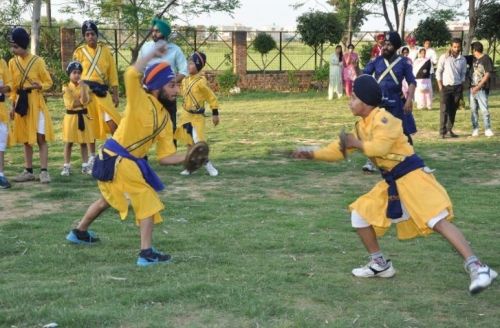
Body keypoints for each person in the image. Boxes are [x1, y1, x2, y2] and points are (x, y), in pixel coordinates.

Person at [292, 74, 497, 295]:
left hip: (413, 177)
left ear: (366, 101)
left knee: (436, 220)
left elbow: (379, 149)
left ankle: (478, 267)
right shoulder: (362, 125)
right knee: (359, 215)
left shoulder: (384, 119)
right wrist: (311, 154)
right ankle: (380, 264)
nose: (349, 101)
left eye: (353, 97)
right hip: (394, 182)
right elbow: (338, 149)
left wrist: (357, 144)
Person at [66, 42, 189, 266]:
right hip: (117, 158)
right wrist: (152, 54)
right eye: (171, 86)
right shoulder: (139, 99)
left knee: (107, 199)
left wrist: (189, 158)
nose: (177, 90)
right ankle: (146, 254)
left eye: (176, 86)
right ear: (157, 87)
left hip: (123, 161)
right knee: (147, 197)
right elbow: (132, 73)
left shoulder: (164, 119)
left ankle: (79, 232)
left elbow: (165, 157)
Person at [362, 32, 416, 172]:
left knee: (403, 132)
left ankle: (410, 158)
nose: (385, 47)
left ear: (396, 46)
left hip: (397, 101)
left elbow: (412, 82)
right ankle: (371, 161)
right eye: (384, 44)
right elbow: (364, 76)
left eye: (389, 44)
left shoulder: (404, 62)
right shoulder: (376, 61)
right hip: (379, 102)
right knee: (374, 131)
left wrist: (409, 100)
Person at [73, 20, 122, 168]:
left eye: (92, 34)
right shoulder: (79, 52)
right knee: (90, 124)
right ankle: (92, 157)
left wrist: (115, 93)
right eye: (87, 34)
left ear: (96, 34)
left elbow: (112, 73)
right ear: (84, 36)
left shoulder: (105, 50)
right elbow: (75, 75)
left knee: (113, 121)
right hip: (86, 92)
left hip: (102, 91)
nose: (90, 37)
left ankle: (118, 151)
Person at [8, 27, 54, 184]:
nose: (13, 49)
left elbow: (49, 82)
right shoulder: (12, 63)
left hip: (36, 102)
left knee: (40, 137)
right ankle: (28, 170)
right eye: (12, 46)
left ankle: (44, 171)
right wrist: (12, 105)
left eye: (16, 46)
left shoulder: (38, 61)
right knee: (26, 138)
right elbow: (13, 87)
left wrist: (39, 85)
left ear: (23, 45)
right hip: (21, 103)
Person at [138, 17, 188, 134]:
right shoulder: (146, 48)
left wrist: (170, 84)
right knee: (147, 128)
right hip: (149, 94)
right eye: (153, 31)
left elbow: (184, 71)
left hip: (167, 96)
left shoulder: (175, 50)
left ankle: (171, 151)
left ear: (165, 34)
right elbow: (140, 70)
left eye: (157, 31)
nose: (153, 33)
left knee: (170, 127)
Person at [174, 51, 220, 176]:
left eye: (192, 63)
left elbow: (211, 97)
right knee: (189, 143)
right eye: (188, 63)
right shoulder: (185, 80)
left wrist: (215, 113)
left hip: (197, 117)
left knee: (198, 143)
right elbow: (183, 94)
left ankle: (209, 166)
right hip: (185, 116)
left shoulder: (201, 81)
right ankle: (190, 168)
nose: (188, 65)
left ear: (198, 66)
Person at [60, 61, 94, 176]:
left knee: (83, 142)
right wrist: (80, 101)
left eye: (79, 72)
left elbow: (85, 101)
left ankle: (85, 165)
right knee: (68, 142)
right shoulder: (65, 86)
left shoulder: (85, 86)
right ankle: (66, 166)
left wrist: (83, 90)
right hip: (71, 118)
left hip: (83, 117)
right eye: (74, 72)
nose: (77, 75)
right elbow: (70, 103)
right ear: (69, 74)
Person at [435, 38, 467, 139]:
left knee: (453, 110)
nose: (456, 49)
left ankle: (449, 130)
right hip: (445, 87)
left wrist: (461, 84)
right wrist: (440, 86)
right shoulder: (444, 57)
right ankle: (442, 132)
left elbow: (463, 74)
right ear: (451, 46)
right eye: (454, 47)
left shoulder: (462, 59)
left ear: (460, 47)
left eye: (458, 47)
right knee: (444, 110)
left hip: (457, 88)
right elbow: (438, 72)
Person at [469, 41, 494, 137]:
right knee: (473, 110)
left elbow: (487, 74)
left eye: (472, 49)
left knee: (484, 110)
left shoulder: (486, 59)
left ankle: (487, 128)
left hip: (482, 89)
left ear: (475, 49)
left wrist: (478, 86)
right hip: (472, 89)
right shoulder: (472, 58)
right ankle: (475, 128)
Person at [0, 57, 13, 188]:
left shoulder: (2, 63)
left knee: (0, 144)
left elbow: (10, 83)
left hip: (1, 110)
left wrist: (6, 88)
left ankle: (1, 175)